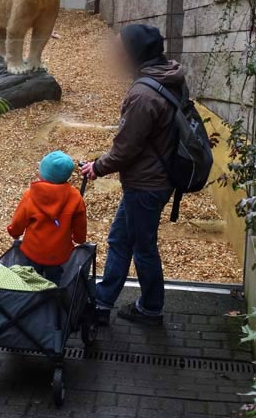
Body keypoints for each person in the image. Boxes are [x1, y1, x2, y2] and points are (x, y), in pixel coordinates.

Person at [81, 24, 186, 327]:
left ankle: (151, 308)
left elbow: (126, 148)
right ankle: (102, 302)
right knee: (121, 239)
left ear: (134, 53)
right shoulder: (168, 76)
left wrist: (97, 166)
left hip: (147, 183)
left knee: (143, 248)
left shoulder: (142, 95)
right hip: (154, 179)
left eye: (119, 48)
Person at [7, 151, 87, 284]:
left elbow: (19, 220)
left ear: (42, 174)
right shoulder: (75, 197)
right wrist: (79, 239)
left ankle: (34, 299)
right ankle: (52, 298)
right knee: (54, 279)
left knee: (31, 279)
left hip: (33, 251)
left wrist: (14, 232)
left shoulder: (30, 195)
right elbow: (80, 225)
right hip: (59, 254)